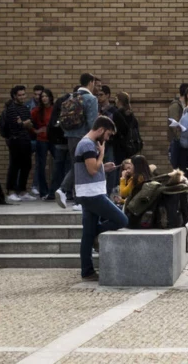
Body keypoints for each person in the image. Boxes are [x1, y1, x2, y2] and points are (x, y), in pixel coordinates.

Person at [75, 116, 127, 281]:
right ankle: (93, 235)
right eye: (108, 134)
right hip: (92, 194)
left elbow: (89, 168)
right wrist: (102, 154)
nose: (108, 138)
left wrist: (104, 168)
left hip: (90, 192)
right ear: (101, 130)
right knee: (122, 220)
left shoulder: (87, 144)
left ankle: (87, 271)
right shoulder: (87, 144)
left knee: (88, 234)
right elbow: (91, 170)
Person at [56, 75, 101, 210]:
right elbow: (93, 123)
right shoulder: (91, 99)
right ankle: (69, 194)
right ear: (91, 82)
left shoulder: (71, 97)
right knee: (81, 167)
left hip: (70, 137)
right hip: (85, 138)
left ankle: (74, 198)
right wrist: (97, 140)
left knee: (77, 166)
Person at [0, 85, 35, 202]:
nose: (22, 97)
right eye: (20, 95)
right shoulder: (11, 109)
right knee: (15, 165)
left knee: (26, 165)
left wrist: (23, 123)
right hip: (15, 140)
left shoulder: (24, 108)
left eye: (24, 94)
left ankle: (22, 190)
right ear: (14, 96)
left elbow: (30, 124)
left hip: (25, 139)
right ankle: (11, 191)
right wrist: (23, 123)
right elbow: (15, 126)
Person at [30, 89, 54, 200]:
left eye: (46, 96)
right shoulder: (37, 110)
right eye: (42, 96)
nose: (44, 98)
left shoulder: (54, 109)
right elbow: (29, 122)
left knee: (59, 163)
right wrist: (35, 131)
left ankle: (55, 190)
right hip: (41, 139)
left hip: (53, 139)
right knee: (41, 165)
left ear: (50, 97)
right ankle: (43, 191)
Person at [112, 92, 142, 165]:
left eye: (116, 99)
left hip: (119, 145)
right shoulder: (130, 113)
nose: (115, 101)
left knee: (119, 166)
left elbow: (118, 129)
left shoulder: (117, 114)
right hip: (130, 145)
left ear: (119, 100)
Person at [168, 84, 188, 169]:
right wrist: (180, 137)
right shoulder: (176, 105)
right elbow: (174, 124)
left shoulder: (185, 105)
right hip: (177, 142)